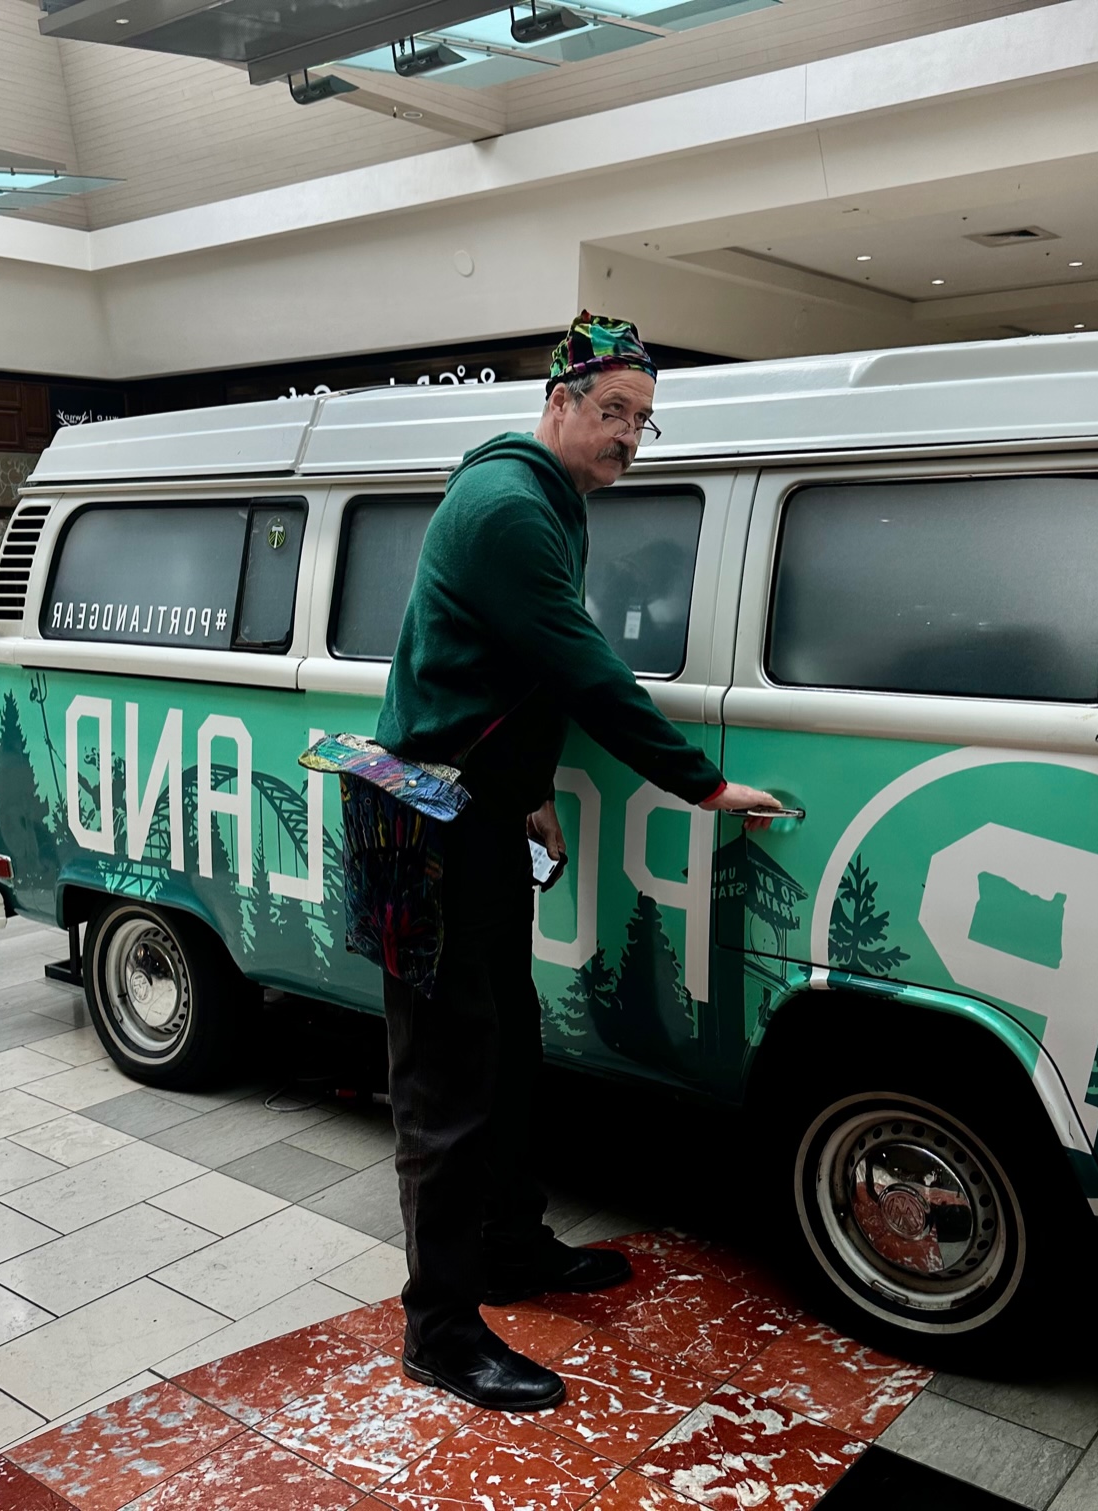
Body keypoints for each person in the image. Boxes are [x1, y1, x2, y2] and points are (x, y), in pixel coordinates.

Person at [374, 312, 783, 1412]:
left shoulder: (533, 497)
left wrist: (533, 789)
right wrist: (695, 780)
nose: (628, 440)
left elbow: (492, 669)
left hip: (478, 809)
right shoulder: (510, 506)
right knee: (447, 1085)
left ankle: (509, 1246)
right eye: (613, 413)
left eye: (643, 423)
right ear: (557, 402)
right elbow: (581, 665)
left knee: (503, 1051)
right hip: (431, 828)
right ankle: (440, 1327)